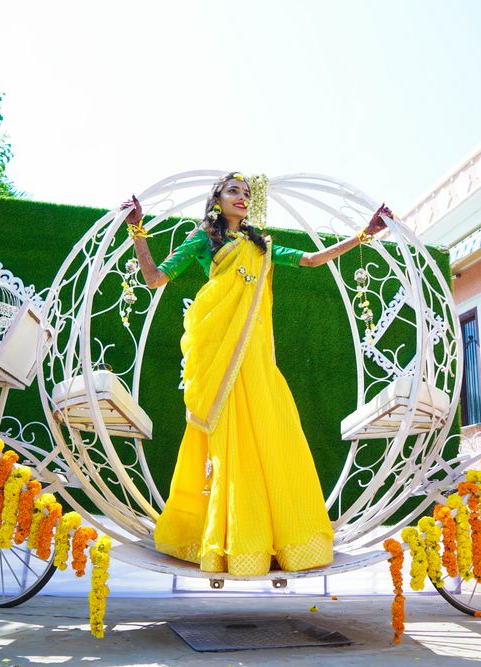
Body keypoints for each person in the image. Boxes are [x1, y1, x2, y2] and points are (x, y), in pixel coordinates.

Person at [120, 172, 390, 576]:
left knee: (270, 428)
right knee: (227, 437)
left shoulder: (260, 245)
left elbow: (313, 260)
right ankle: (225, 541)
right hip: (220, 351)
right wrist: (137, 230)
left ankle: (273, 538)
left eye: (246, 193)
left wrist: (365, 236)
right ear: (217, 200)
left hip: (255, 356)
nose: (242, 198)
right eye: (234, 191)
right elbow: (155, 278)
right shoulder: (203, 239)